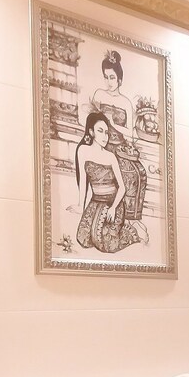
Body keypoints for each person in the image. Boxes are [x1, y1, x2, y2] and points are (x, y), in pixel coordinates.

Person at [90, 50, 148, 232]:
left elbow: (131, 133)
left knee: (137, 172)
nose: (108, 82)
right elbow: (91, 119)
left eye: (112, 77)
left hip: (121, 145)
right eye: (106, 77)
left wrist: (114, 124)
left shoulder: (125, 103)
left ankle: (132, 218)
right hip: (103, 143)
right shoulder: (99, 95)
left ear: (120, 80)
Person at [67, 112, 141, 253]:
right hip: (96, 202)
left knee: (107, 244)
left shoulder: (110, 156)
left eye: (106, 132)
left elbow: (122, 188)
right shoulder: (83, 150)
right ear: (91, 132)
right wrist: (80, 206)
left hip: (114, 204)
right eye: (100, 131)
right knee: (83, 239)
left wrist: (113, 207)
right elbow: (83, 181)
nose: (105, 136)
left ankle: (130, 231)